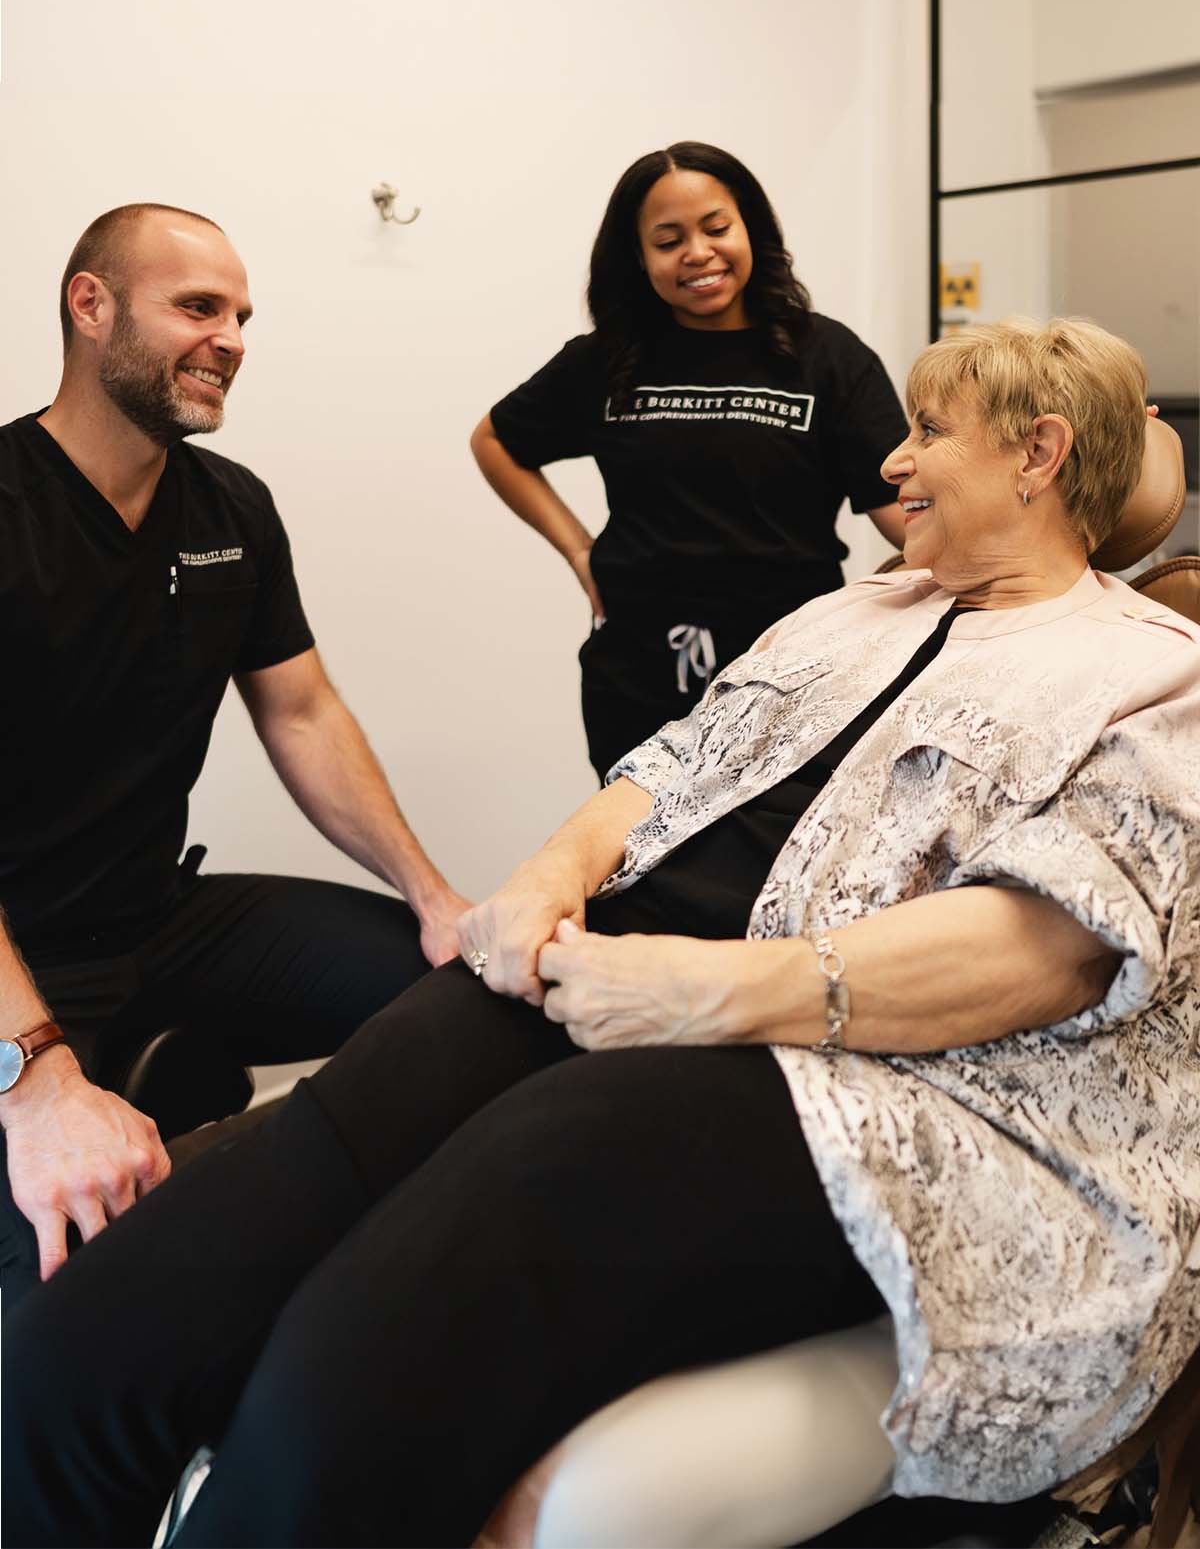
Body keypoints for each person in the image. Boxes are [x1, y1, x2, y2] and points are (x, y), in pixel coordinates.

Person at [7, 320, 1200, 1549]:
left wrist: (711, 994)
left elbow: (1057, 944)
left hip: (867, 1080)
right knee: (98, 1327)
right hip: (614, 980)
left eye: (929, 432)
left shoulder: (1153, 674)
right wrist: (542, 877)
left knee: (393, 1311)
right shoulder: (844, 618)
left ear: (1039, 454)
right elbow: (670, 768)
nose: (891, 464)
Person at [0, 203, 469, 1306]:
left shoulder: (231, 508)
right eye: (199, 306)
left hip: (156, 914)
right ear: (90, 306)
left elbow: (300, 712)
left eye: (244, 315)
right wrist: (34, 1077)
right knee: (64, 1280)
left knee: (452, 993)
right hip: (19, 953)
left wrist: (436, 896)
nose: (234, 338)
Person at [473, 141, 908, 779]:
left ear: (750, 229)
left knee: (771, 861)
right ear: (639, 256)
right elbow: (496, 442)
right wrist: (577, 549)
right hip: (637, 675)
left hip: (788, 675)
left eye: (715, 228)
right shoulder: (608, 360)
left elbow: (896, 502)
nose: (697, 253)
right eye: (668, 239)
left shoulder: (828, 357)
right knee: (639, 859)